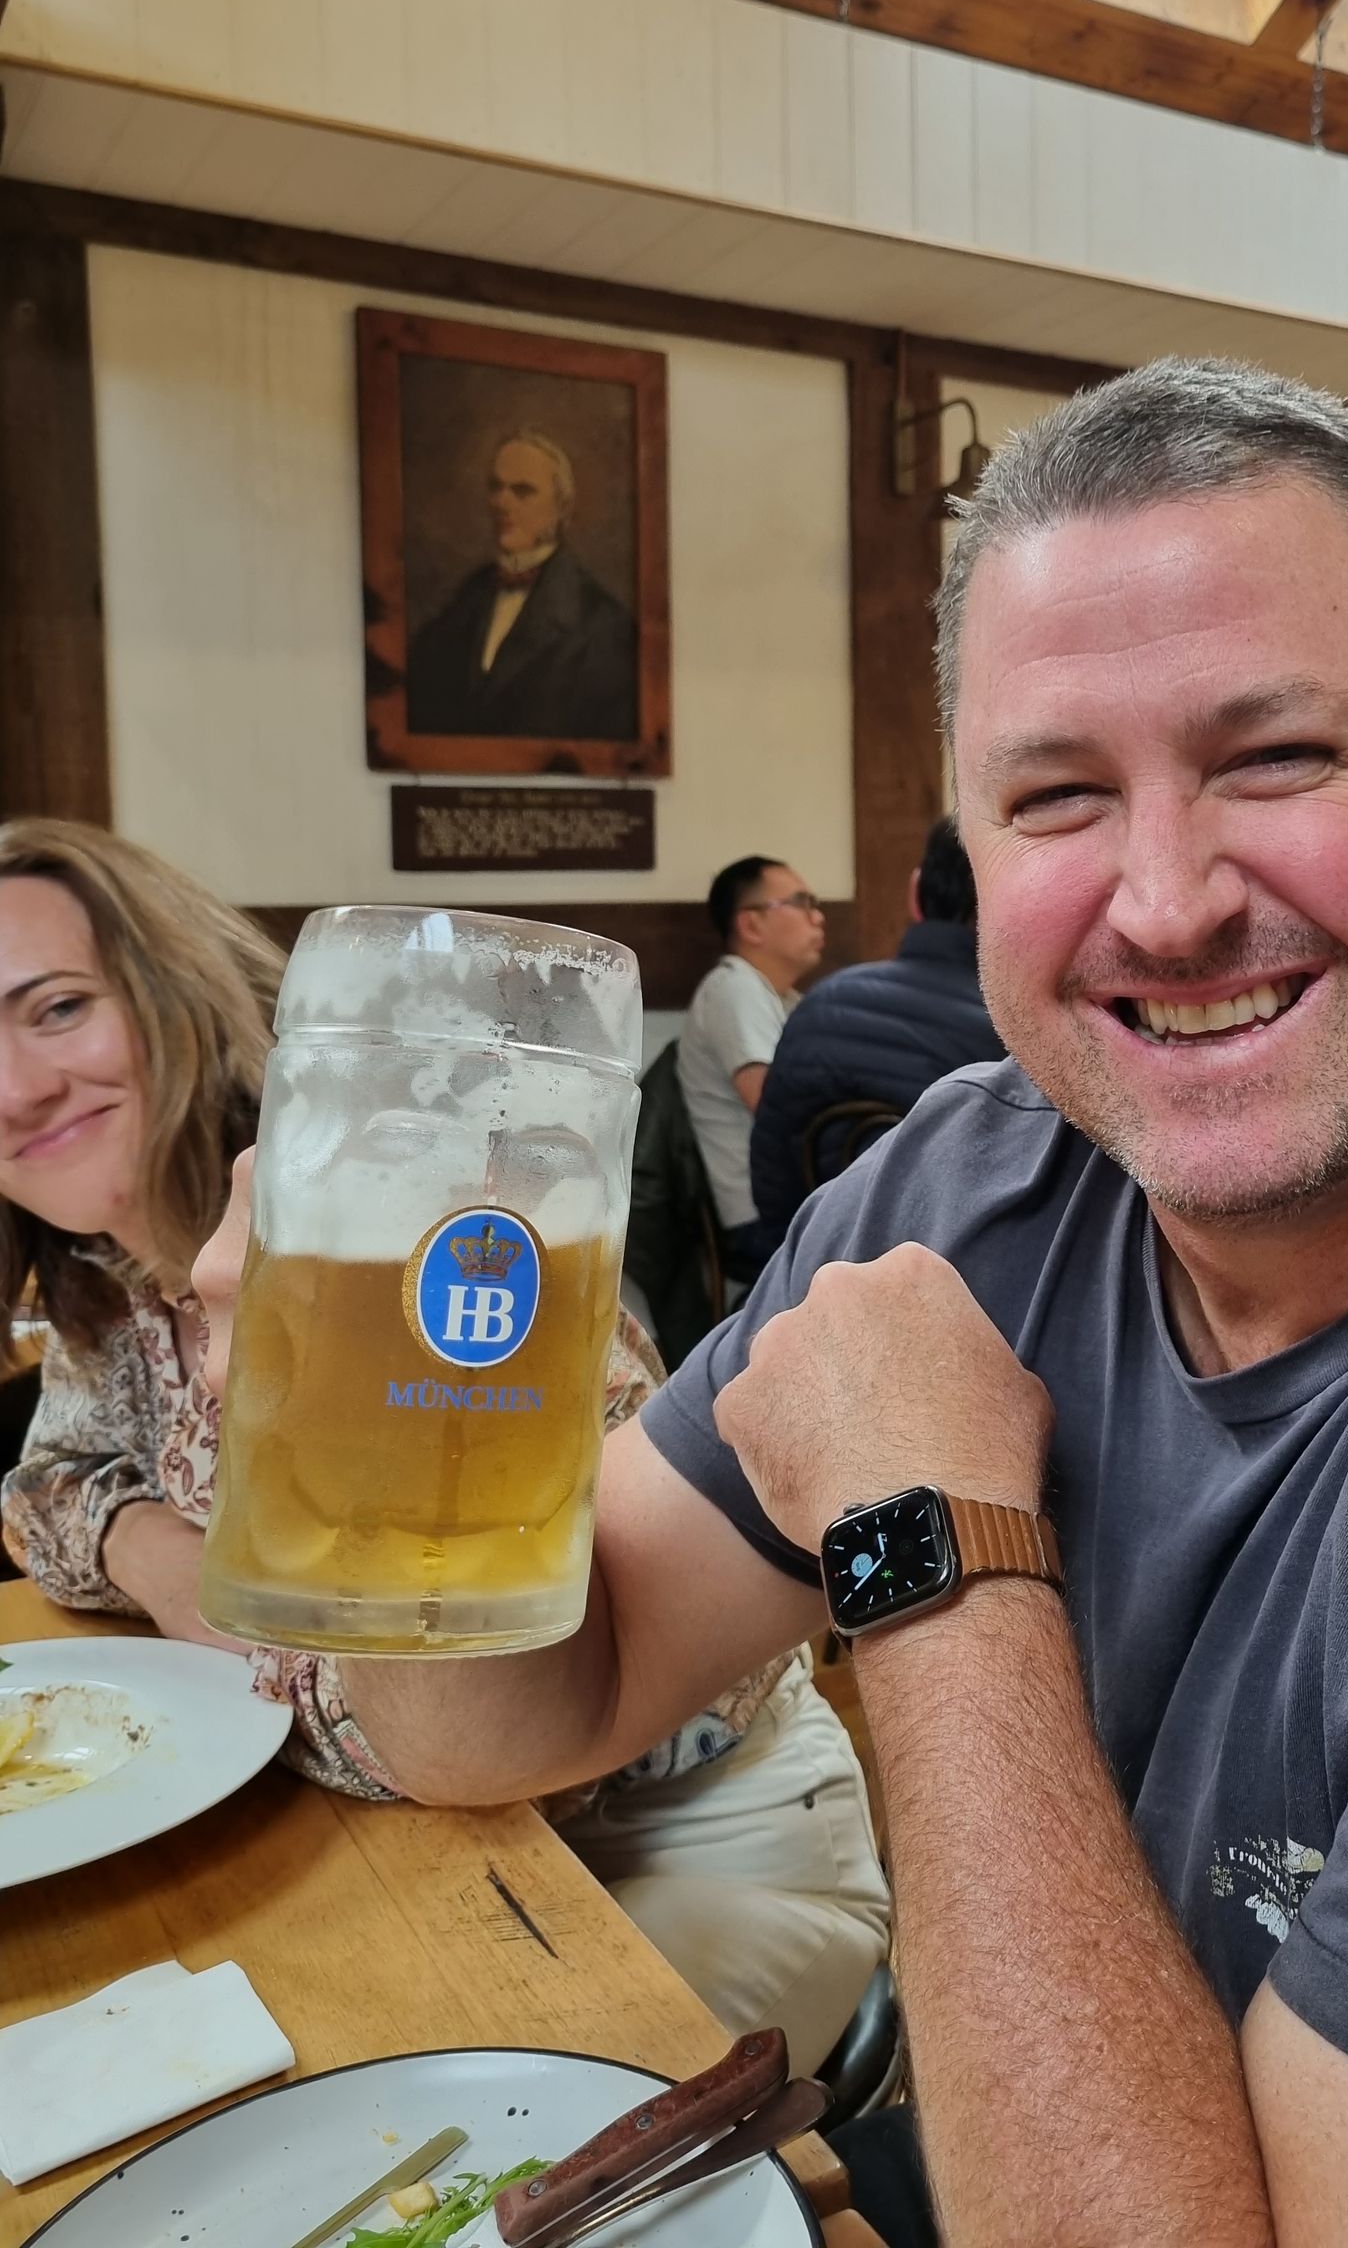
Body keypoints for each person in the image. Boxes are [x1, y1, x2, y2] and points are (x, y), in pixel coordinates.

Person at [196, 361, 1348, 2246]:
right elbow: (510, 1723)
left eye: (1277, 755)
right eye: (1058, 796)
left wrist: (923, 1550)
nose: (1165, 903)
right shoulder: (978, 1183)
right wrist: (395, 1432)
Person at [0, 820, 886, 2074]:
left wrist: (265, 1641)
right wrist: (160, 1559)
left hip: (702, 1836)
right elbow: (42, 1487)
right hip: (415, 1856)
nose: (16, 1085)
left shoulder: (422, 1206)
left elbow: (500, 1720)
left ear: (173, 988)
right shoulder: (108, 1285)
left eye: (56, 1009)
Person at [749, 816, 1001, 1245]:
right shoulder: (1015, 1030)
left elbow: (771, 1179)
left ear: (915, 894)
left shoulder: (821, 1005)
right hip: (971, 1271)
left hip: (823, 1259)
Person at [405, 430, 639, 742]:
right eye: (496, 487)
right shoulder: (465, 599)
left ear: (562, 508)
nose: (501, 502)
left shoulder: (605, 627)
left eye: (522, 491)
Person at [679, 856, 826, 1284]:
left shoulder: (783, 998)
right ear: (751, 924)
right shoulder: (734, 987)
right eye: (801, 902)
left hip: (788, 1202)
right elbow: (773, 1107)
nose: (818, 916)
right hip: (760, 1217)